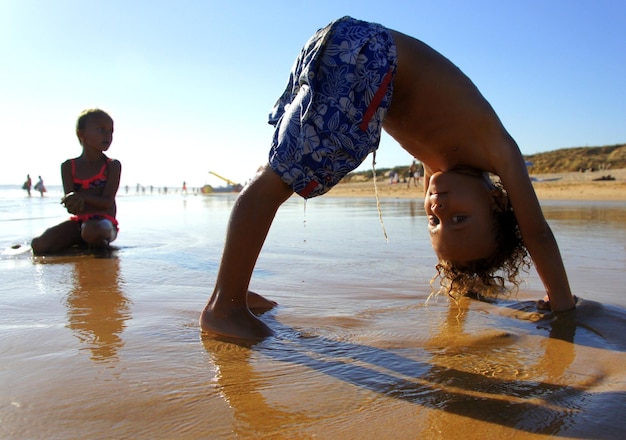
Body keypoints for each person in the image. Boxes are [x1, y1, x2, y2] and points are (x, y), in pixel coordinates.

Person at [200, 16, 576, 342]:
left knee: (280, 165)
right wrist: (562, 304)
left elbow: (457, 238)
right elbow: (536, 232)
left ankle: (233, 290)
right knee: (279, 177)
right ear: (496, 201)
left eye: (433, 221)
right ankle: (225, 307)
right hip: (369, 58)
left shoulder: (442, 167)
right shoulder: (500, 151)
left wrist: (461, 281)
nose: (438, 206)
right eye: (457, 218)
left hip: (342, 45)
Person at [31, 109, 121, 255]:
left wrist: (82, 197)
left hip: (104, 224)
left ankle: (95, 244)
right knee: (39, 244)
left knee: (93, 230)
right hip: (79, 223)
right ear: (81, 134)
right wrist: (71, 201)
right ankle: (82, 241)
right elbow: (71, 207)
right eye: (101, 130)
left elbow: (107, 202)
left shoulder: (111, 165)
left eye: (111, 131)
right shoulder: (68, 166)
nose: (108, 135)